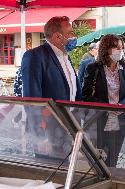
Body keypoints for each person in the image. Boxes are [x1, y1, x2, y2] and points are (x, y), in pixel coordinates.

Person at [21, 16, 82, 159]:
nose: (74, 37)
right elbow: (32, 100)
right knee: (50, 176)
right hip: (48, 132)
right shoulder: (34, 56)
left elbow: (73, 92)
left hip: (69, 128)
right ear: (57, 36)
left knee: (65, 172)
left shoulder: (66, 57)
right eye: (70, 33)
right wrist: (40, 137)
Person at [82, 34, 125, 166]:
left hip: (120, 119)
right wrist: (106, 107)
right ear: (107, 49)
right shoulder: (93, 68)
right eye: (117, 47)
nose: (121, 50)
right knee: (99, 158)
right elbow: (86, 95)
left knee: (113, 158)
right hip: (100, 119)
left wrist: (121, 105)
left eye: (122, 48)